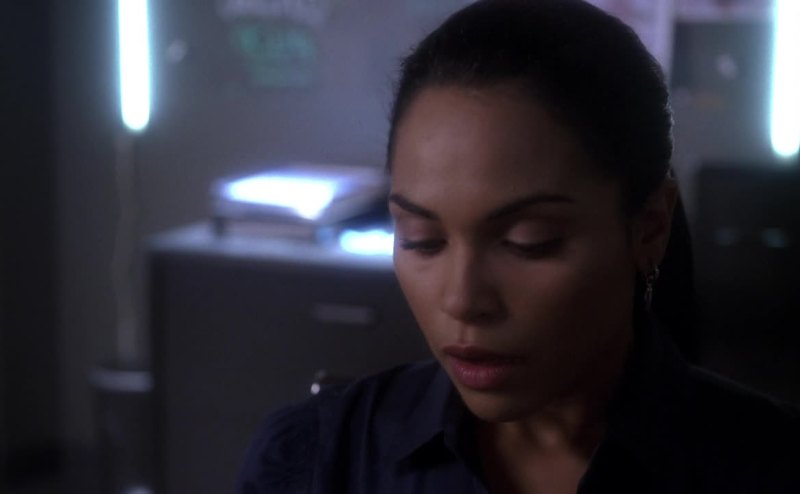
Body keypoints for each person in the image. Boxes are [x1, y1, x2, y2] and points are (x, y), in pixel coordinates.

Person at [238, 1, 800, 492]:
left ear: (649, 227)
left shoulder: (772, 468)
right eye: (423, 240)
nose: (463, 300)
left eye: (529, 242)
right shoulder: (317, 460)